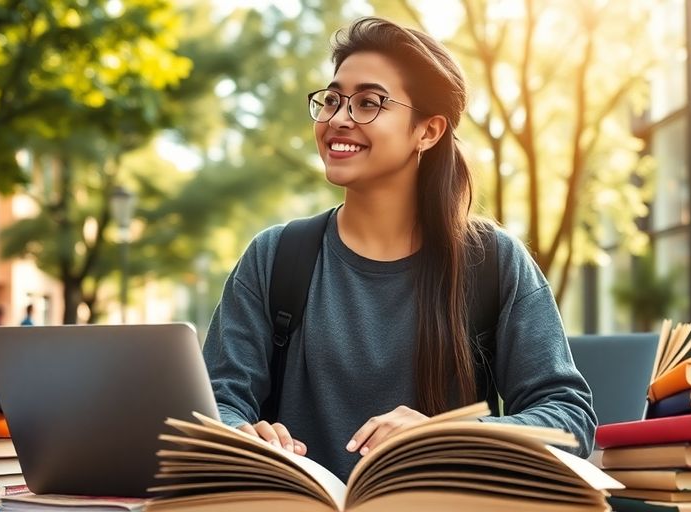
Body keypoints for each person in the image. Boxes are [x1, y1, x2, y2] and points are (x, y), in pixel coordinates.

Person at [202, 17, 596, 481]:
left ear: (427, 132)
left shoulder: (492, 261)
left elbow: (569, 418)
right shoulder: (274, 257)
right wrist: (246, 435)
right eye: (332, 100)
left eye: (369, 102)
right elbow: (214, 402)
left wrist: (450, 435)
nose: (338, 118)